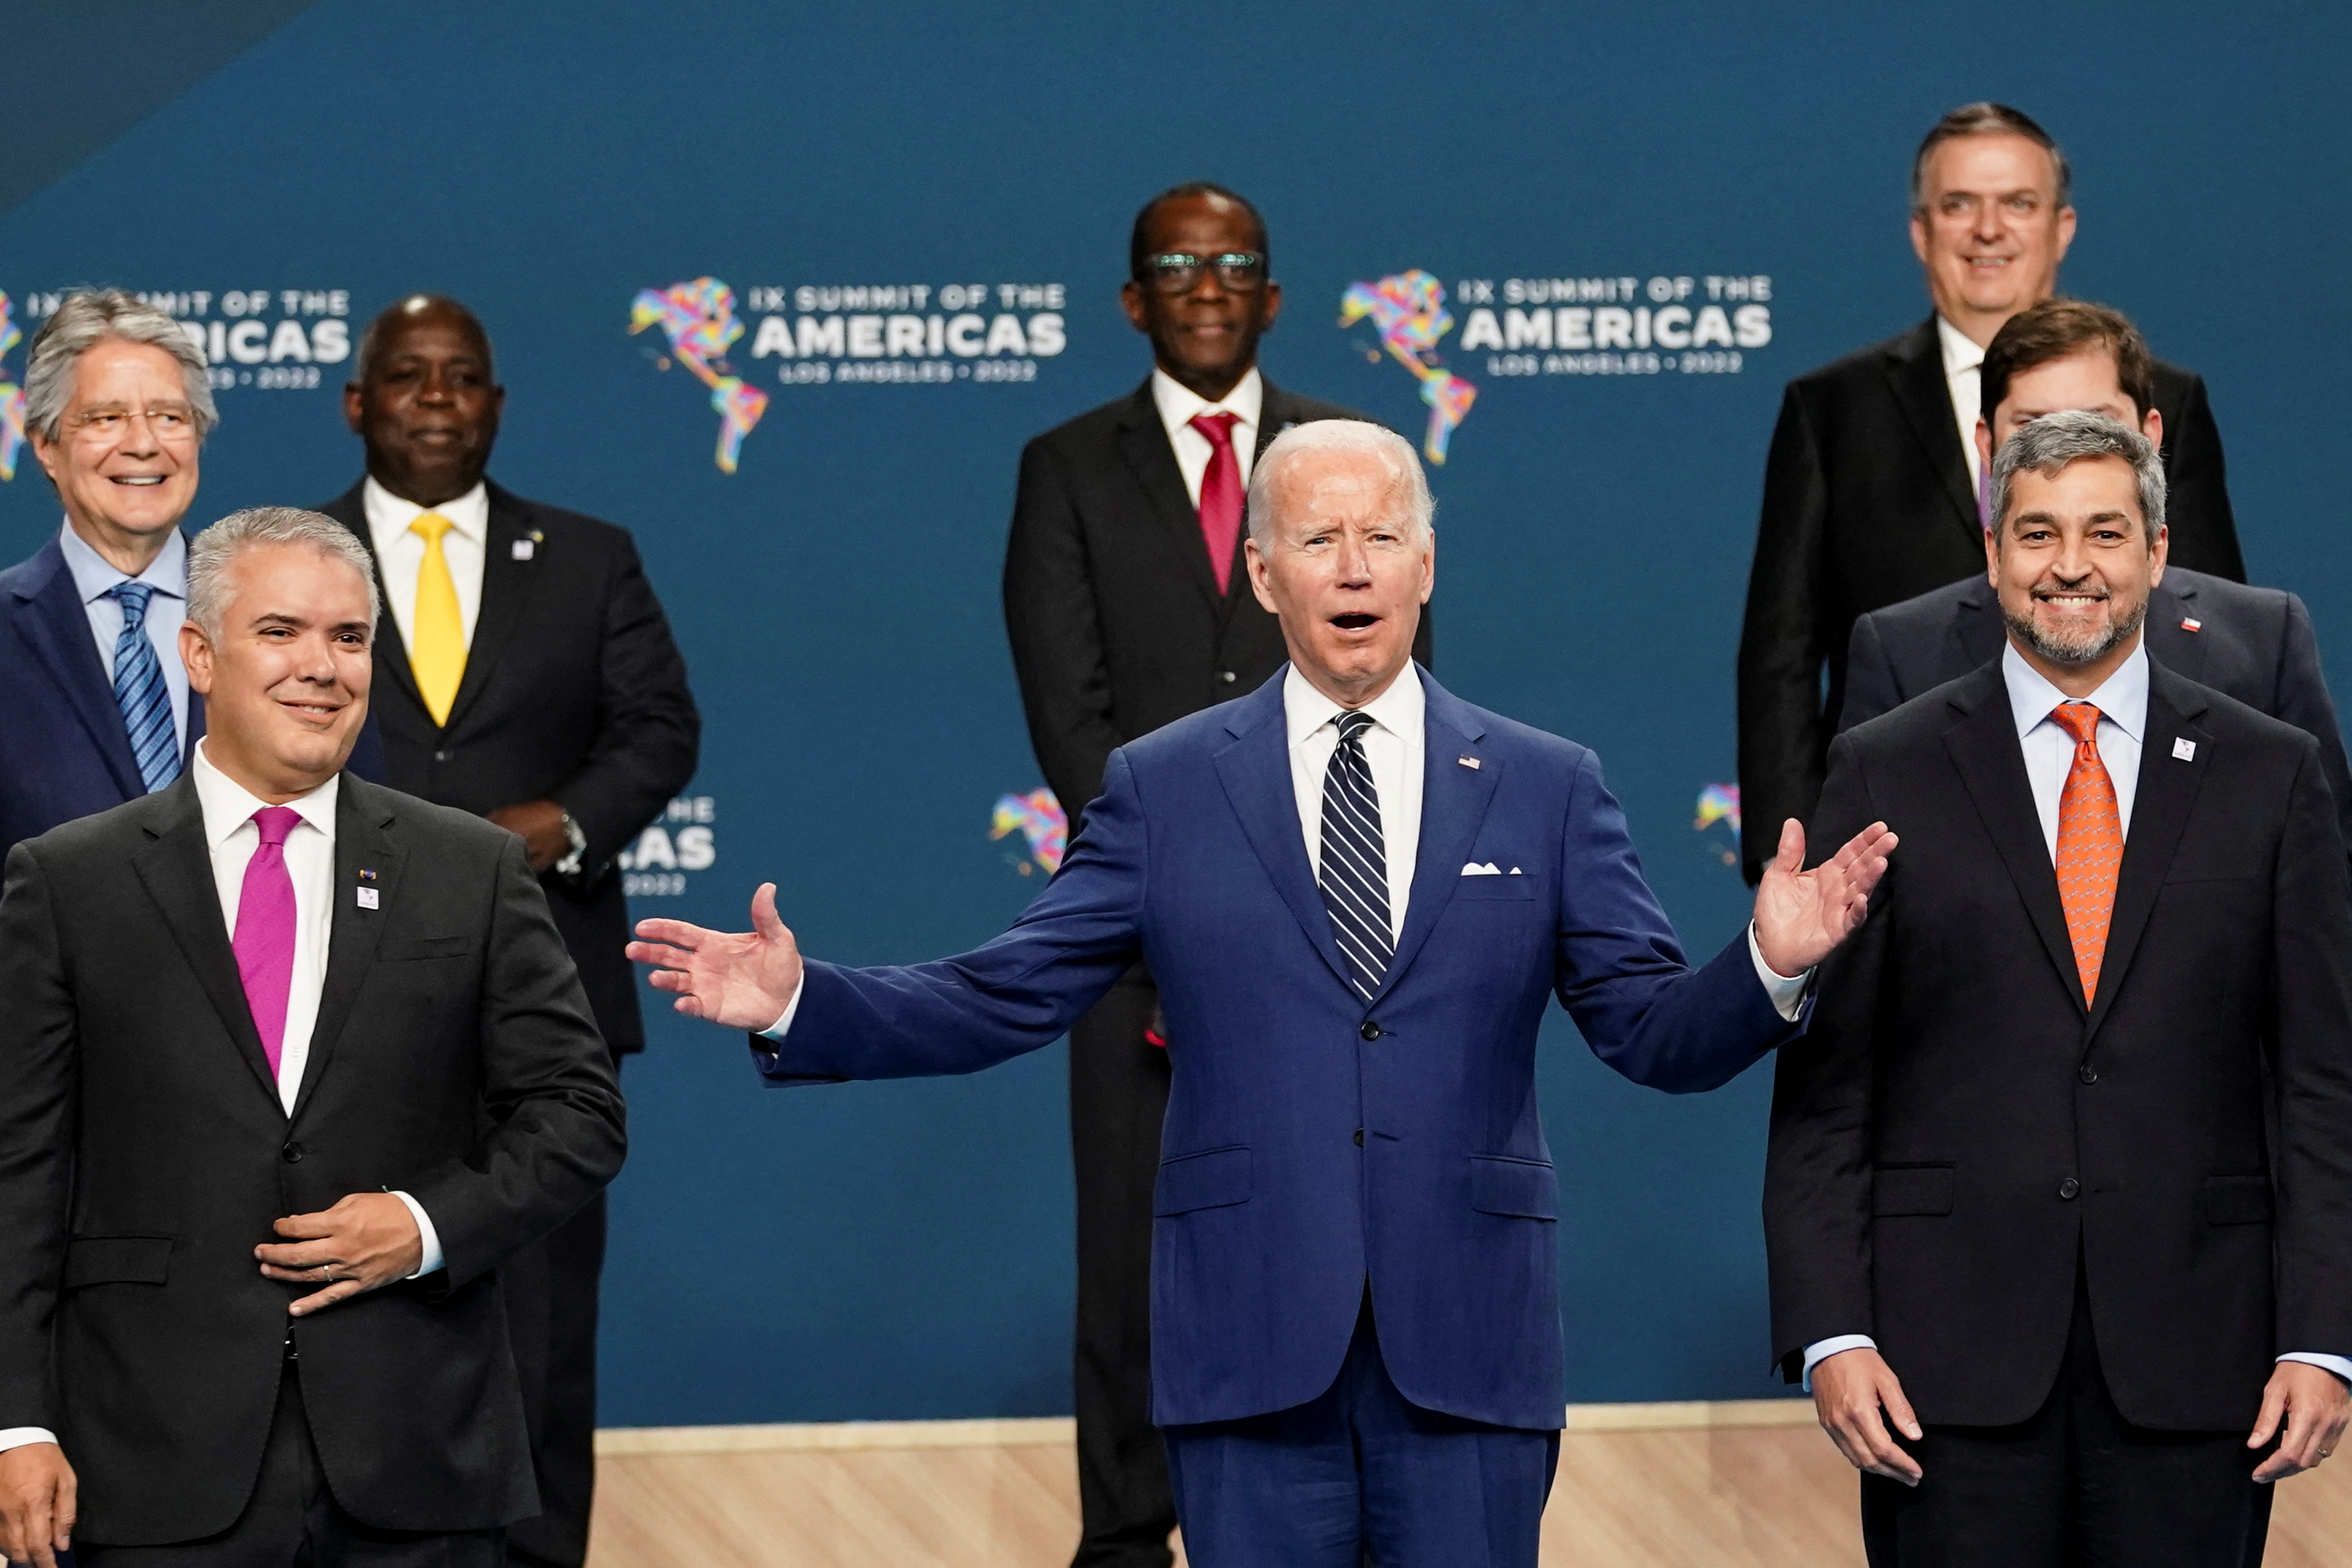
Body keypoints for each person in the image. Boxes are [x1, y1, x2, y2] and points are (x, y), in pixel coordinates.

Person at [635, 420, 1895, 1568]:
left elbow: (1653, 1032)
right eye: (1316, 539)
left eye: (1381, 538)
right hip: (1246, 1350)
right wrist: (802, 1002)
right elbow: (1004, 991)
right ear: (1262, 573)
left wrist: (1769, 961)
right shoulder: (1162, 785)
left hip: (1468, 1345)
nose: (1352, 568)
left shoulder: (1545, 783)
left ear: (1426, 567)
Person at [1766, 412, 2352, 1567]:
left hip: (2203, 1362)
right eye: (2035, 533)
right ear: (1991, 555)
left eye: (2104, 531)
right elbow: (1828, 1087)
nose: (2068, 565)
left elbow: (2321, 1083)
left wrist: (2321, 1336)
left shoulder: (2269, 771)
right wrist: (1831, 1331)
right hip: (1940, 1371)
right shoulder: (1882, 764)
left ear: (2156, 551)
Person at [0, 507, 625, 1567]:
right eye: (280, 631)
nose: (321, 667)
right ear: (199, 654)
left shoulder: (467, 868)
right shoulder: (71, 880)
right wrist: (15, 1420)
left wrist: (425, 1222)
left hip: (414, 1454)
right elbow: (18, 1165)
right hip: (148, 1460)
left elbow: (578, 1113)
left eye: (348, 638)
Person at [1001, 181, 1424, 1568]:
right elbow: (1068, 714)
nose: (1204, 282)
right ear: (1133, 299)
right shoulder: (1065, 466)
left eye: (1232, 260)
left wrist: (1299, 908)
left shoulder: (1349, 463)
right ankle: (1128, 1540)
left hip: (1335, 958)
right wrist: (1191, 892)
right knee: (1132, 1266)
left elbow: (1390, 685)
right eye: (1176, 263)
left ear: (1271, 296)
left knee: (1331, 1252)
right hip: (1136, 947)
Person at [315, 294, 698, 1568]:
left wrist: (565, 822)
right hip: (329, 1004)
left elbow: (659, 728)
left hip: (543, 1000)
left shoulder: (587, 557)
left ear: (495, 403)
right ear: (356, 403)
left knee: (541, 1335)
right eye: (407, 376)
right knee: (347, 1316)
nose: (435, 398)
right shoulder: (288, 561)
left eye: (461, 376)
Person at [1735, 102, 2245, 884]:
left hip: (2122, 810)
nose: (1988, 230)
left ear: (2062, 227)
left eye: (2018, 203)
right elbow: (1782, 650)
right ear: (1921, 231)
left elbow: (2210, 620)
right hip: (1902, 827)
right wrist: (1790, 854)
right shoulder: (1832, 408)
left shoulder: (2167, 400)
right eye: (1959, 204)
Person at [1839, 298, 2352, 854]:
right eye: (2034, 425)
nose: (2069, 450)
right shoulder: (1899, 654)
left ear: (2151, 433)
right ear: (1985, 443)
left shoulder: (2262, 642)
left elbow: (2323, 865)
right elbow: (1859, 883)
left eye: (2098, 423)